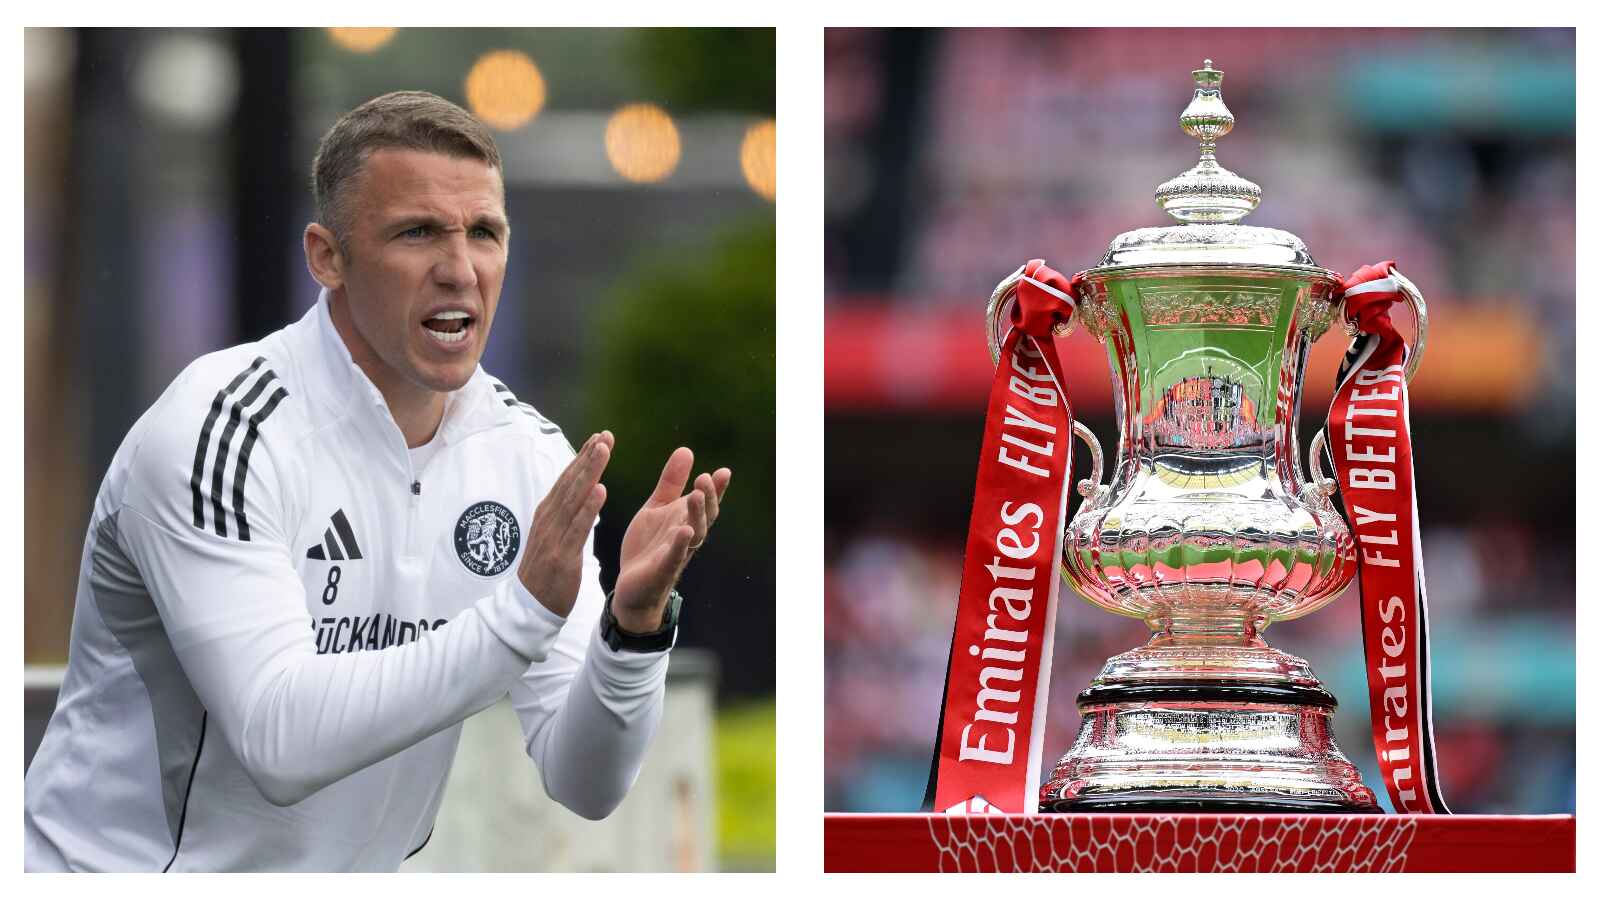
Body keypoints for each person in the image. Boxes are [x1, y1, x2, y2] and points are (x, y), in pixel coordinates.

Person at [23, 91, 731, 872]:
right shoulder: (218, 429)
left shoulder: (528, 456)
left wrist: (632, 632)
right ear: (327, 256)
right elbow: (278, 739)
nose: (459, 270)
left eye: (484, 233)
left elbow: (585, 779)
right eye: (418, 232)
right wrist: (519, 613)